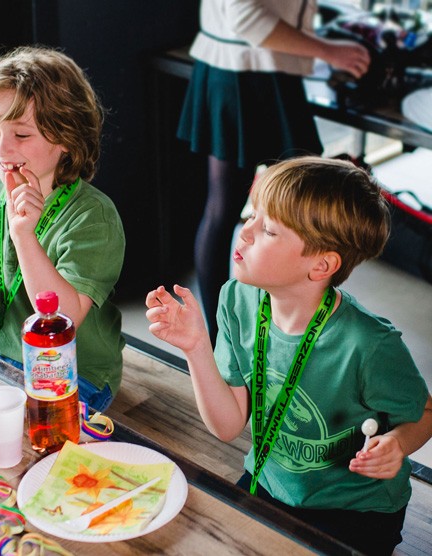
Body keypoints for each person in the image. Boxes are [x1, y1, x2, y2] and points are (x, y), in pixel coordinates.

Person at [145, 157, 432, 555]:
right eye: (252, 215)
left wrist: (398, 444)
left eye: (267, 230)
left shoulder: (370, 344)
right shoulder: (236, 299)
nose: (243, 233)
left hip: (358, 511)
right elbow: (228, 426)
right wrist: (196, 348)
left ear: (321, 265)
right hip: (270, 482)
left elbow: (423, 413)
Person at [177, 0, 372, 341]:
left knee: (230, 207)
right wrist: (329, 51)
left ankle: (228, 334)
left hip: (238, 66)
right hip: (252, 70)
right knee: (303, 204)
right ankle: (265, 331)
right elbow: (246, 16)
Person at [0, 46, 126, 412]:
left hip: (74, 374)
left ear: (66, 137)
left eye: (21, 135)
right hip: (1, 355)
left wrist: (23, 234)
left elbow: (62, 317)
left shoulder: (93, 216)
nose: (2, 149)